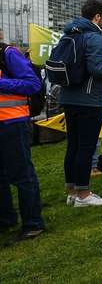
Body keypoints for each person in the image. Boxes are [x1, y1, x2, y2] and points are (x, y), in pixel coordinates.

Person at [60, 0, 102, 207]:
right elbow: (97, 69)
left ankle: (72, 192)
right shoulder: (94, 37)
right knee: (86, 147)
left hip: (68, 97)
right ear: (97, 17)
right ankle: (84, 195)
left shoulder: (69, 34)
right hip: (89, 100)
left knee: (73, 146)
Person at [0, 41, 45, 241]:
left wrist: (2, 83)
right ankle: (6, 219)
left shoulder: (8, 53)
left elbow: (33, 84)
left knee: (22, 174)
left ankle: (33, 223)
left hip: (13, 123)